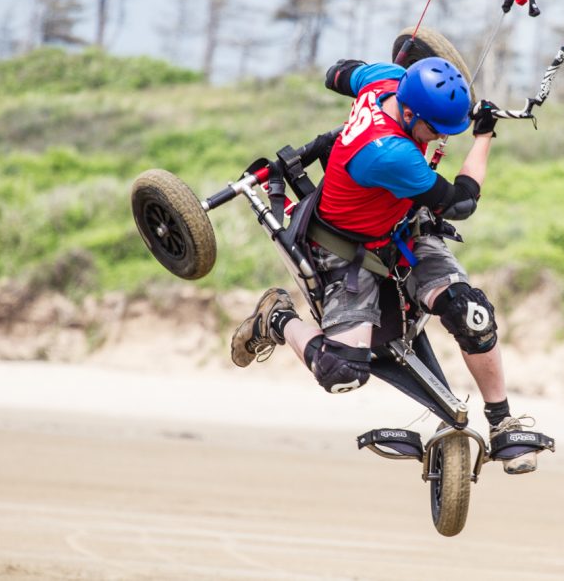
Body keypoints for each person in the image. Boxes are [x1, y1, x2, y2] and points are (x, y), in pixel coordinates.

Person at [230, 56, 546, 474]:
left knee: (473, 315)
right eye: (435, 130)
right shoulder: (390, 153)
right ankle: (277, 319)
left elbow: (337, 74)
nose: (438, 139)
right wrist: (483, 135)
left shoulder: (389, 80)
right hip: (345, 251)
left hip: (403, 232)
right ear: (412, 111)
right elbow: (463, 202)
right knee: (340, 372)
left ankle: (501, 421)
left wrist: (449, 105)